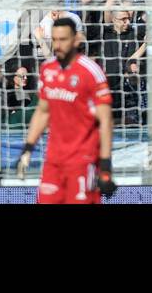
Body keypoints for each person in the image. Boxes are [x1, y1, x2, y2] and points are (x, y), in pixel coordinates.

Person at [16, 15, 116, 204]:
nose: (58, 45)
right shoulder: (47, 69)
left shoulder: (91, 71)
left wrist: (105, 164)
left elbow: (106, 121)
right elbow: (43, 111)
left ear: (76, 39)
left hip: (83, 159)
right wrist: (28, 147)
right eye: (54, 40)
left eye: (63, 39)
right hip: (54, 158)